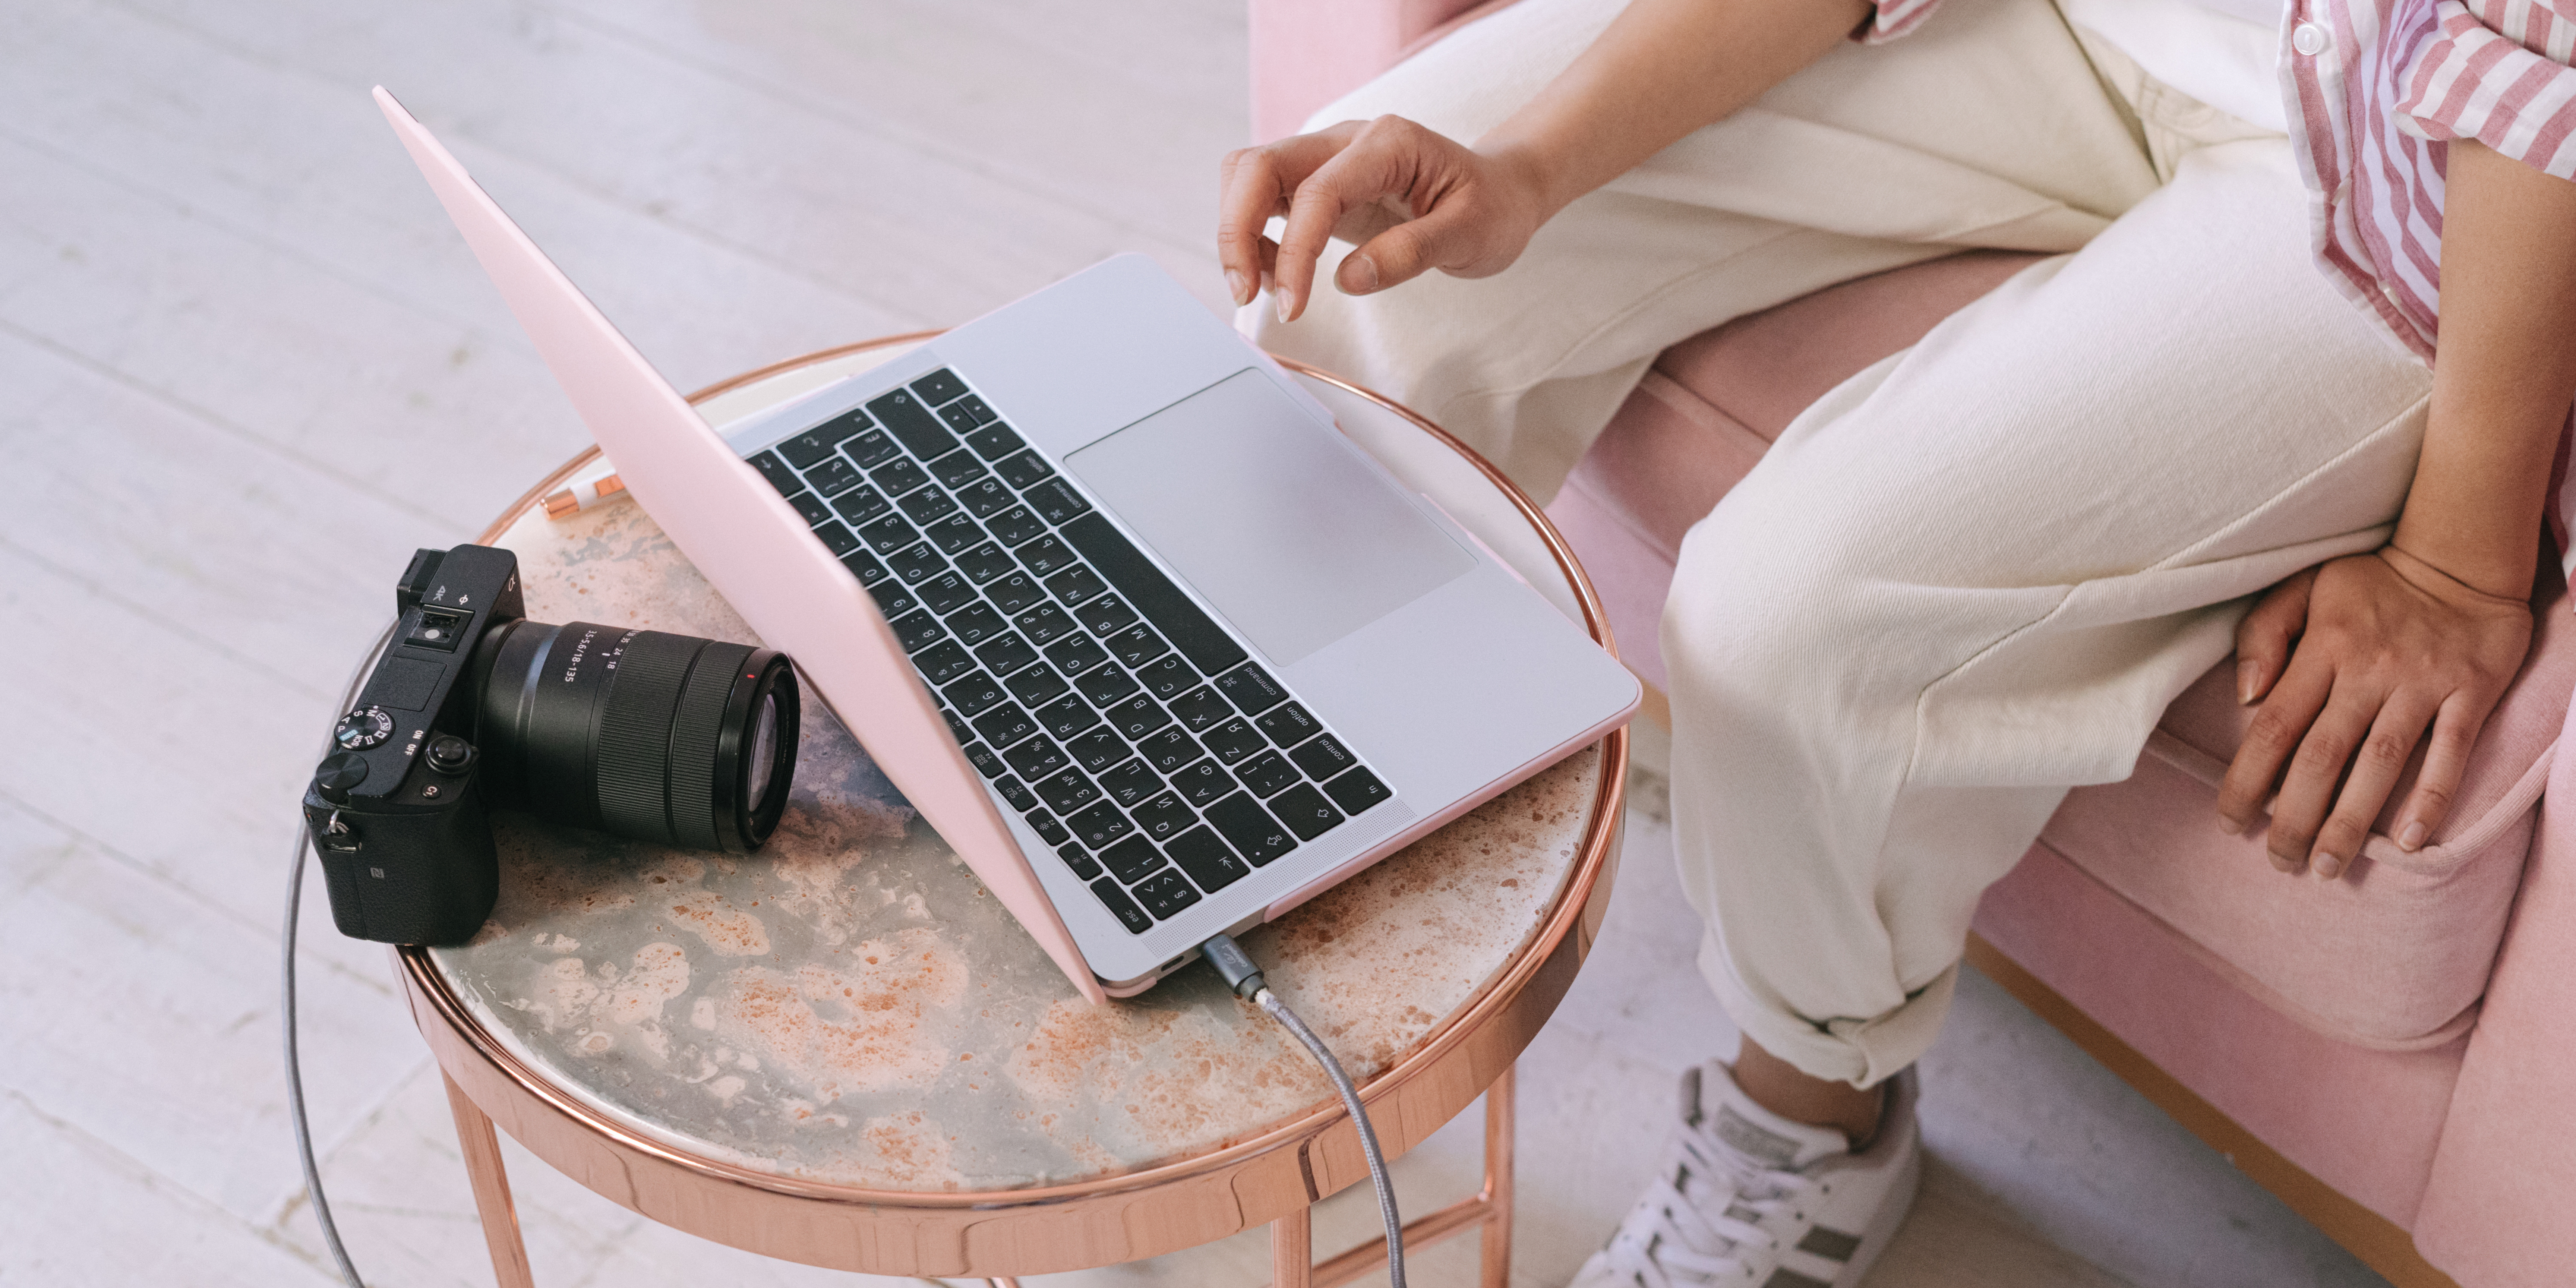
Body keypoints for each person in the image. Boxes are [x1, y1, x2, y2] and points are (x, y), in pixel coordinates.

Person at [1215, 0, 2576, 1282]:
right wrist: (1524, 168)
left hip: (2406, 184)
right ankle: (1246, 886)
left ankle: (1811, 1136)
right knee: (1351, 263)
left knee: (1790, 621)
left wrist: (2460, 564)